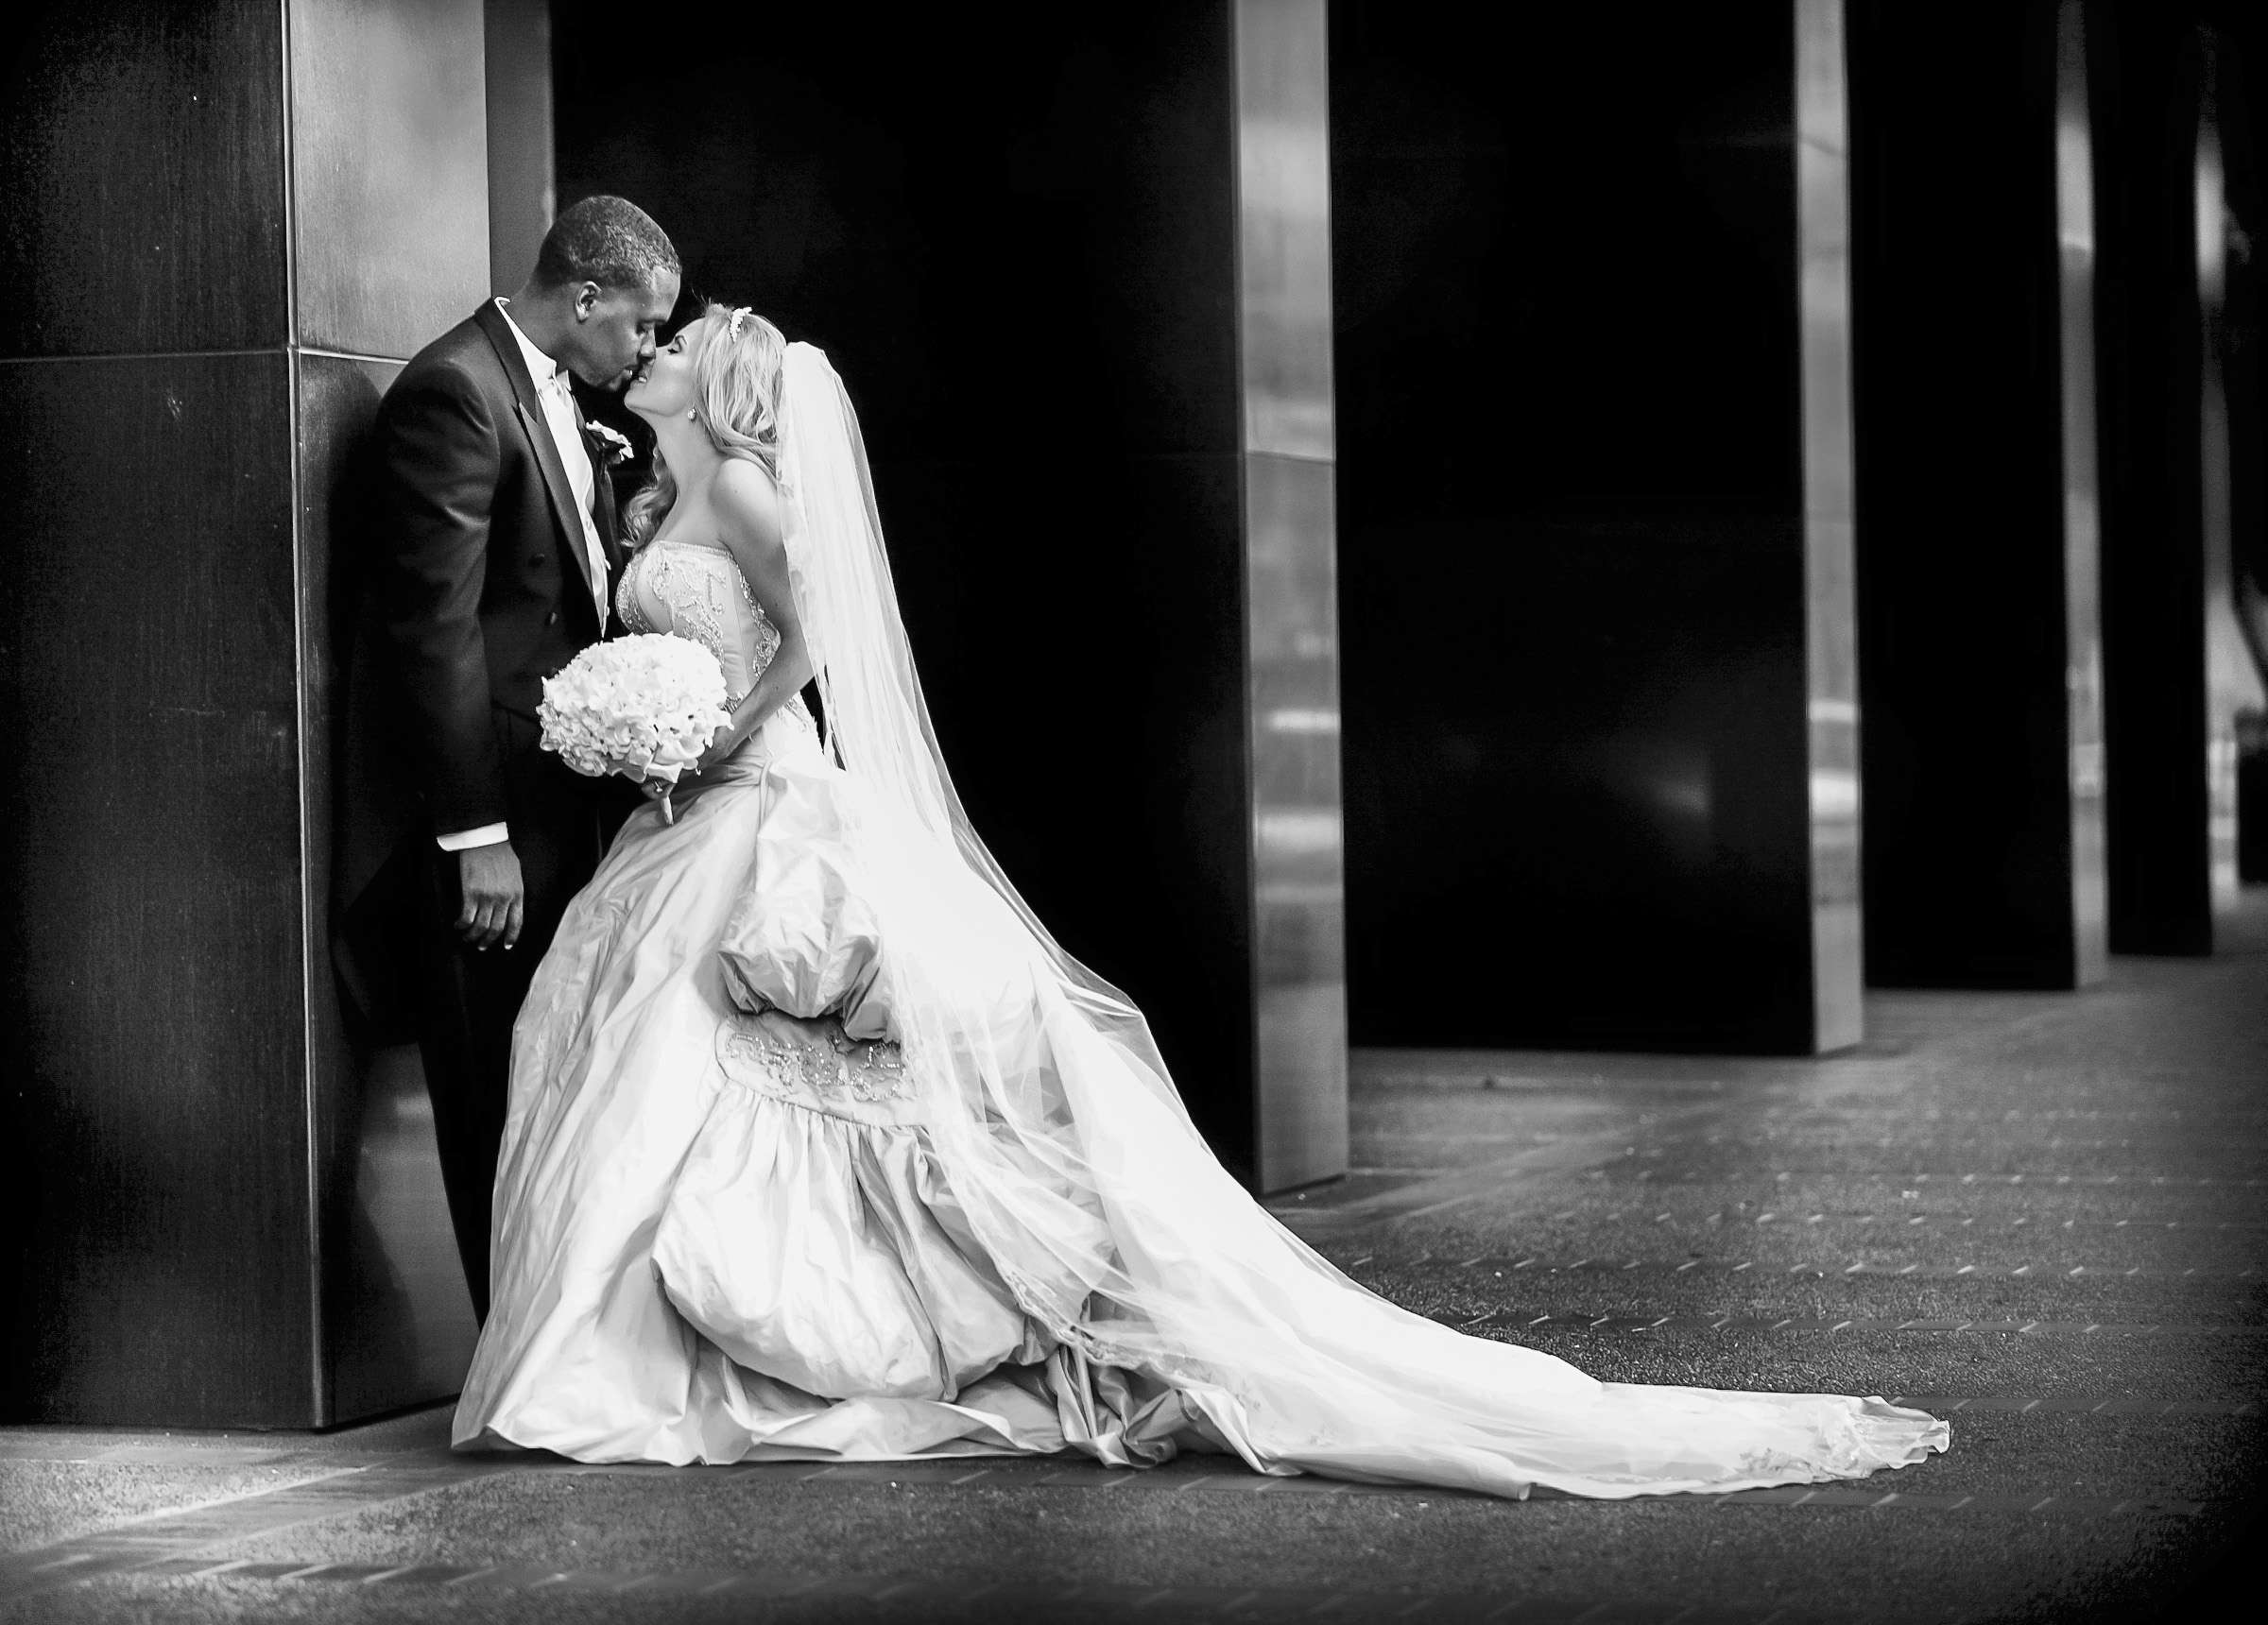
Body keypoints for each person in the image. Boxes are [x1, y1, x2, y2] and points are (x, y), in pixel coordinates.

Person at [452, 305, 1949, 1497]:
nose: (656, 352)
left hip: (758, 796)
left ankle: (716, 1351)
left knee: (731, 1069)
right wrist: (632, 723)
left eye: (677, 342)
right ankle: (644, 1343)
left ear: (718, 383)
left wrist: (711, 729)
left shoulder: (737, 481)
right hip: (687, 813)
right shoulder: (657, 481)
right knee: (662, 1072)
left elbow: (824, 628)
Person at [337, 197, 679, 1322]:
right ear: (583, 300)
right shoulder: (456, 389)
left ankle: (557, 1336)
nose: (644, 350)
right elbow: (431, 631)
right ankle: (512, 1355)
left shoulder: (558, 397)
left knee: (548, 1078)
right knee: (490, 1082)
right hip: (490, 824)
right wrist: (475, 836)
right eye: (637, 325)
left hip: (557, 807)